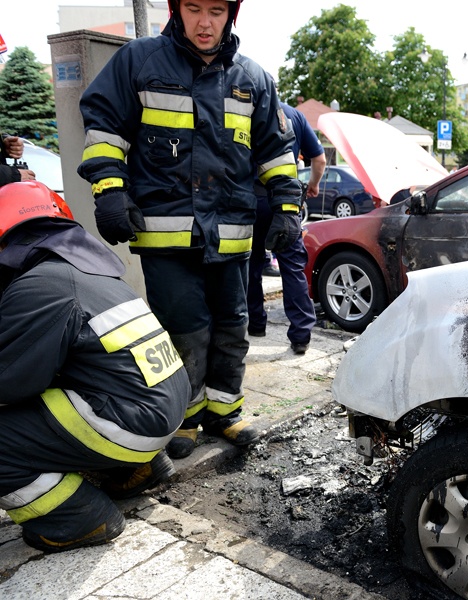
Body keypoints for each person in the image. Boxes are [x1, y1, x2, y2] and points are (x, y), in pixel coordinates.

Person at [77, 0, 304, 459]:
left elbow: (276, 150)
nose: (205, 22)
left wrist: (286, 207)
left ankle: (226, 412)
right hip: (166, 236)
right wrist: (109, 191)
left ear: (231, 14)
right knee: (183, 329)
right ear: (176, 10)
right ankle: (186, 416)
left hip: (232, 233)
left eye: (216, 11)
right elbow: (104, 128)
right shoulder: (139, 62)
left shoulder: (253, 79)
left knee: (232, 327)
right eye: (194, 8)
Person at [0, 181, 190, 552]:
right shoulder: (92, 274)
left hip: (130, 423)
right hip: (163, 411)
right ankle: (136, 469)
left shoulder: (40, 285)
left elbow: (8, 381)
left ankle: (78, 518)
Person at [248, 101, 325, 354]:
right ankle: (301, 335)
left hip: (252, 199)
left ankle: (256, 324)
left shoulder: (246, 112)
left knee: (251, 264)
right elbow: (320, 159)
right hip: (286, 203)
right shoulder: (295, 116)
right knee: (292, 266)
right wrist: (313, 185)